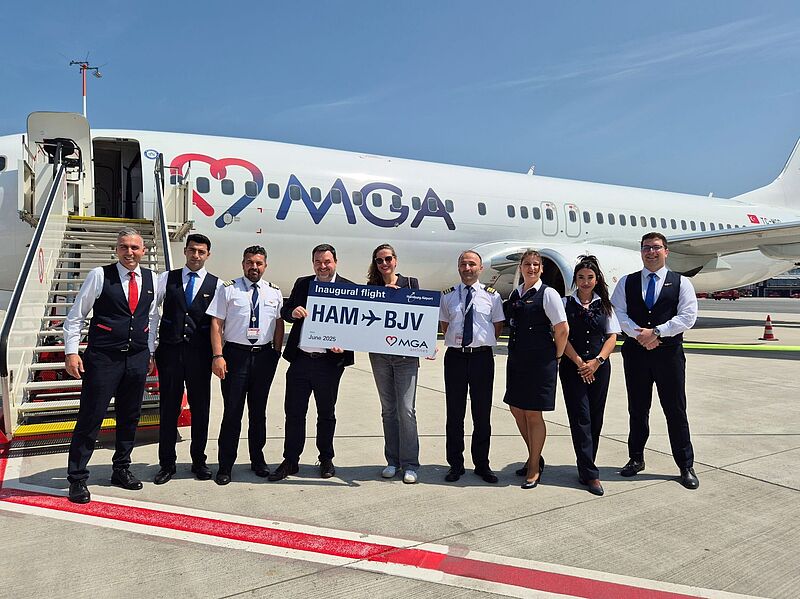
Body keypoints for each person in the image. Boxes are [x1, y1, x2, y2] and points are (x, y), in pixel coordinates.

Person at [64, 227, 159, 504]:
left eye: (135, 247)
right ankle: (77, 477)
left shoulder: (152, 279)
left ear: (143, 251)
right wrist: (71, 352)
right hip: (103, 358)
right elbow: (76, 316)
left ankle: (121, 468)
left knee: (130, 416)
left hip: (137, 358)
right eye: (124, 247)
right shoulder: (99, 275)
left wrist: (150, 351)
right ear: (116, 250)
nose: (129, 252)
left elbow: (151, 317)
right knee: (91, 416)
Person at [610, 232, 700, 490]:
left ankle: (685, 465)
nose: (651, 252)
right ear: (641, 252)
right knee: (638, 409)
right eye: (646, 248)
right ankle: (636, 458)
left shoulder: (681, 283)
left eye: (656, 247)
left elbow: (688, 316)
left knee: (675, 409)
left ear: (666, 252)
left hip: (668, 355)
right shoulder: (626, 282)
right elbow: (617, 313)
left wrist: (657, 332)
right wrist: (640, 335)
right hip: (636, 353)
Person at [269, 244, 355, 482]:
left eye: (327, 262)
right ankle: (291, 460)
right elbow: (286, 310)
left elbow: (355, 325)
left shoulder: (348, 288)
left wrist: (345, 345)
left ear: (335, 262)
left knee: (326, 413)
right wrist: (292, 312)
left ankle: (326, 458)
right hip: (301, 360)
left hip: (329, 363)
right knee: (294, 413)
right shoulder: (303, 283)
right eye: (318, 262)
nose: (322, 266)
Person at [205, 245, 284, 485]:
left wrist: (276, 352)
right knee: (232, 412)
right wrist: (218, 356)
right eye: (249, 262)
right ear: (243, 264)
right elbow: (216, 324)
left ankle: (257, 460)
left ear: (265, 266)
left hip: (264, 357)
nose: (254, 267)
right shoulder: (228, 289)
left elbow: (279, 323)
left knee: (258, 413)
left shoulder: (274, 292)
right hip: (235, 356)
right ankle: (225, 465)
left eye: (258, 263)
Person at [153, 233, 222, 484]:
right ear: (185, 251)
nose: (196, 255)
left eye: (201, 252)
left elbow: (219, 324)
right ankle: (166, 464)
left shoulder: (217, 285)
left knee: (200, 410)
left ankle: (198, 461)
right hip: (170, 354)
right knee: (168, 409)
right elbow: (152, 312)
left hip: (199, 356)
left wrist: (218, 355)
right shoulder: (166, 279)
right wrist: (152, 348)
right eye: (192, 250)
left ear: (208, 255)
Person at [503, 250, 568, 490]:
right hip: (518, 360)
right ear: (521, 267)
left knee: (533, 413)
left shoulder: (548, 294)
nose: (531, 268)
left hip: (540, 361)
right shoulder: (516, 293)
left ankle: (533, 467)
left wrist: (557, 356)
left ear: (541, 269)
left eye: (536, 265)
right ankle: (535, 456)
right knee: (516, 408)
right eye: (527, 264)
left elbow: (562, 329)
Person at [439, 250, 505, 484]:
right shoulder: (448, 296)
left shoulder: (492, 297)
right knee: (454, 414)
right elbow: (445, 325)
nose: (467, 268)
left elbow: (497, 326)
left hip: (481, 359)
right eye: (463, 264)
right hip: (455, 358)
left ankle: (482, 464)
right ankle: (455, 464)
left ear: (480, 268)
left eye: (472, 264)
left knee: (482, 414)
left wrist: (478, 342)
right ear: (459, 268)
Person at [559, 256, 620, 496]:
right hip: (573, 367)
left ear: (597, 280)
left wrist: (597, 362)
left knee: (595, 417)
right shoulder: (565, 304)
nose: (585, 282)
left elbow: (612, 336)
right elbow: (560, 336)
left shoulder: (605, 306)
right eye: (581, 277)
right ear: (575, 279)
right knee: (580, 417)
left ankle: (586, 465)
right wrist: (580, 363)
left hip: (599, 367)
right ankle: (591, 474)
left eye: (590, 277)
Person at [366, 244, 422, 484]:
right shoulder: (371, 288)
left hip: (405, 357)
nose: (384, 264)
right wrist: (382, 296)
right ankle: (392, 460)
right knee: (388, 410)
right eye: (379, 260)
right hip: (380, 355)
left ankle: (410, 464)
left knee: (406, 410)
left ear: (395, 260)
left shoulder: (410, 283)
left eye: (388, 259)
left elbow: (420, 315)